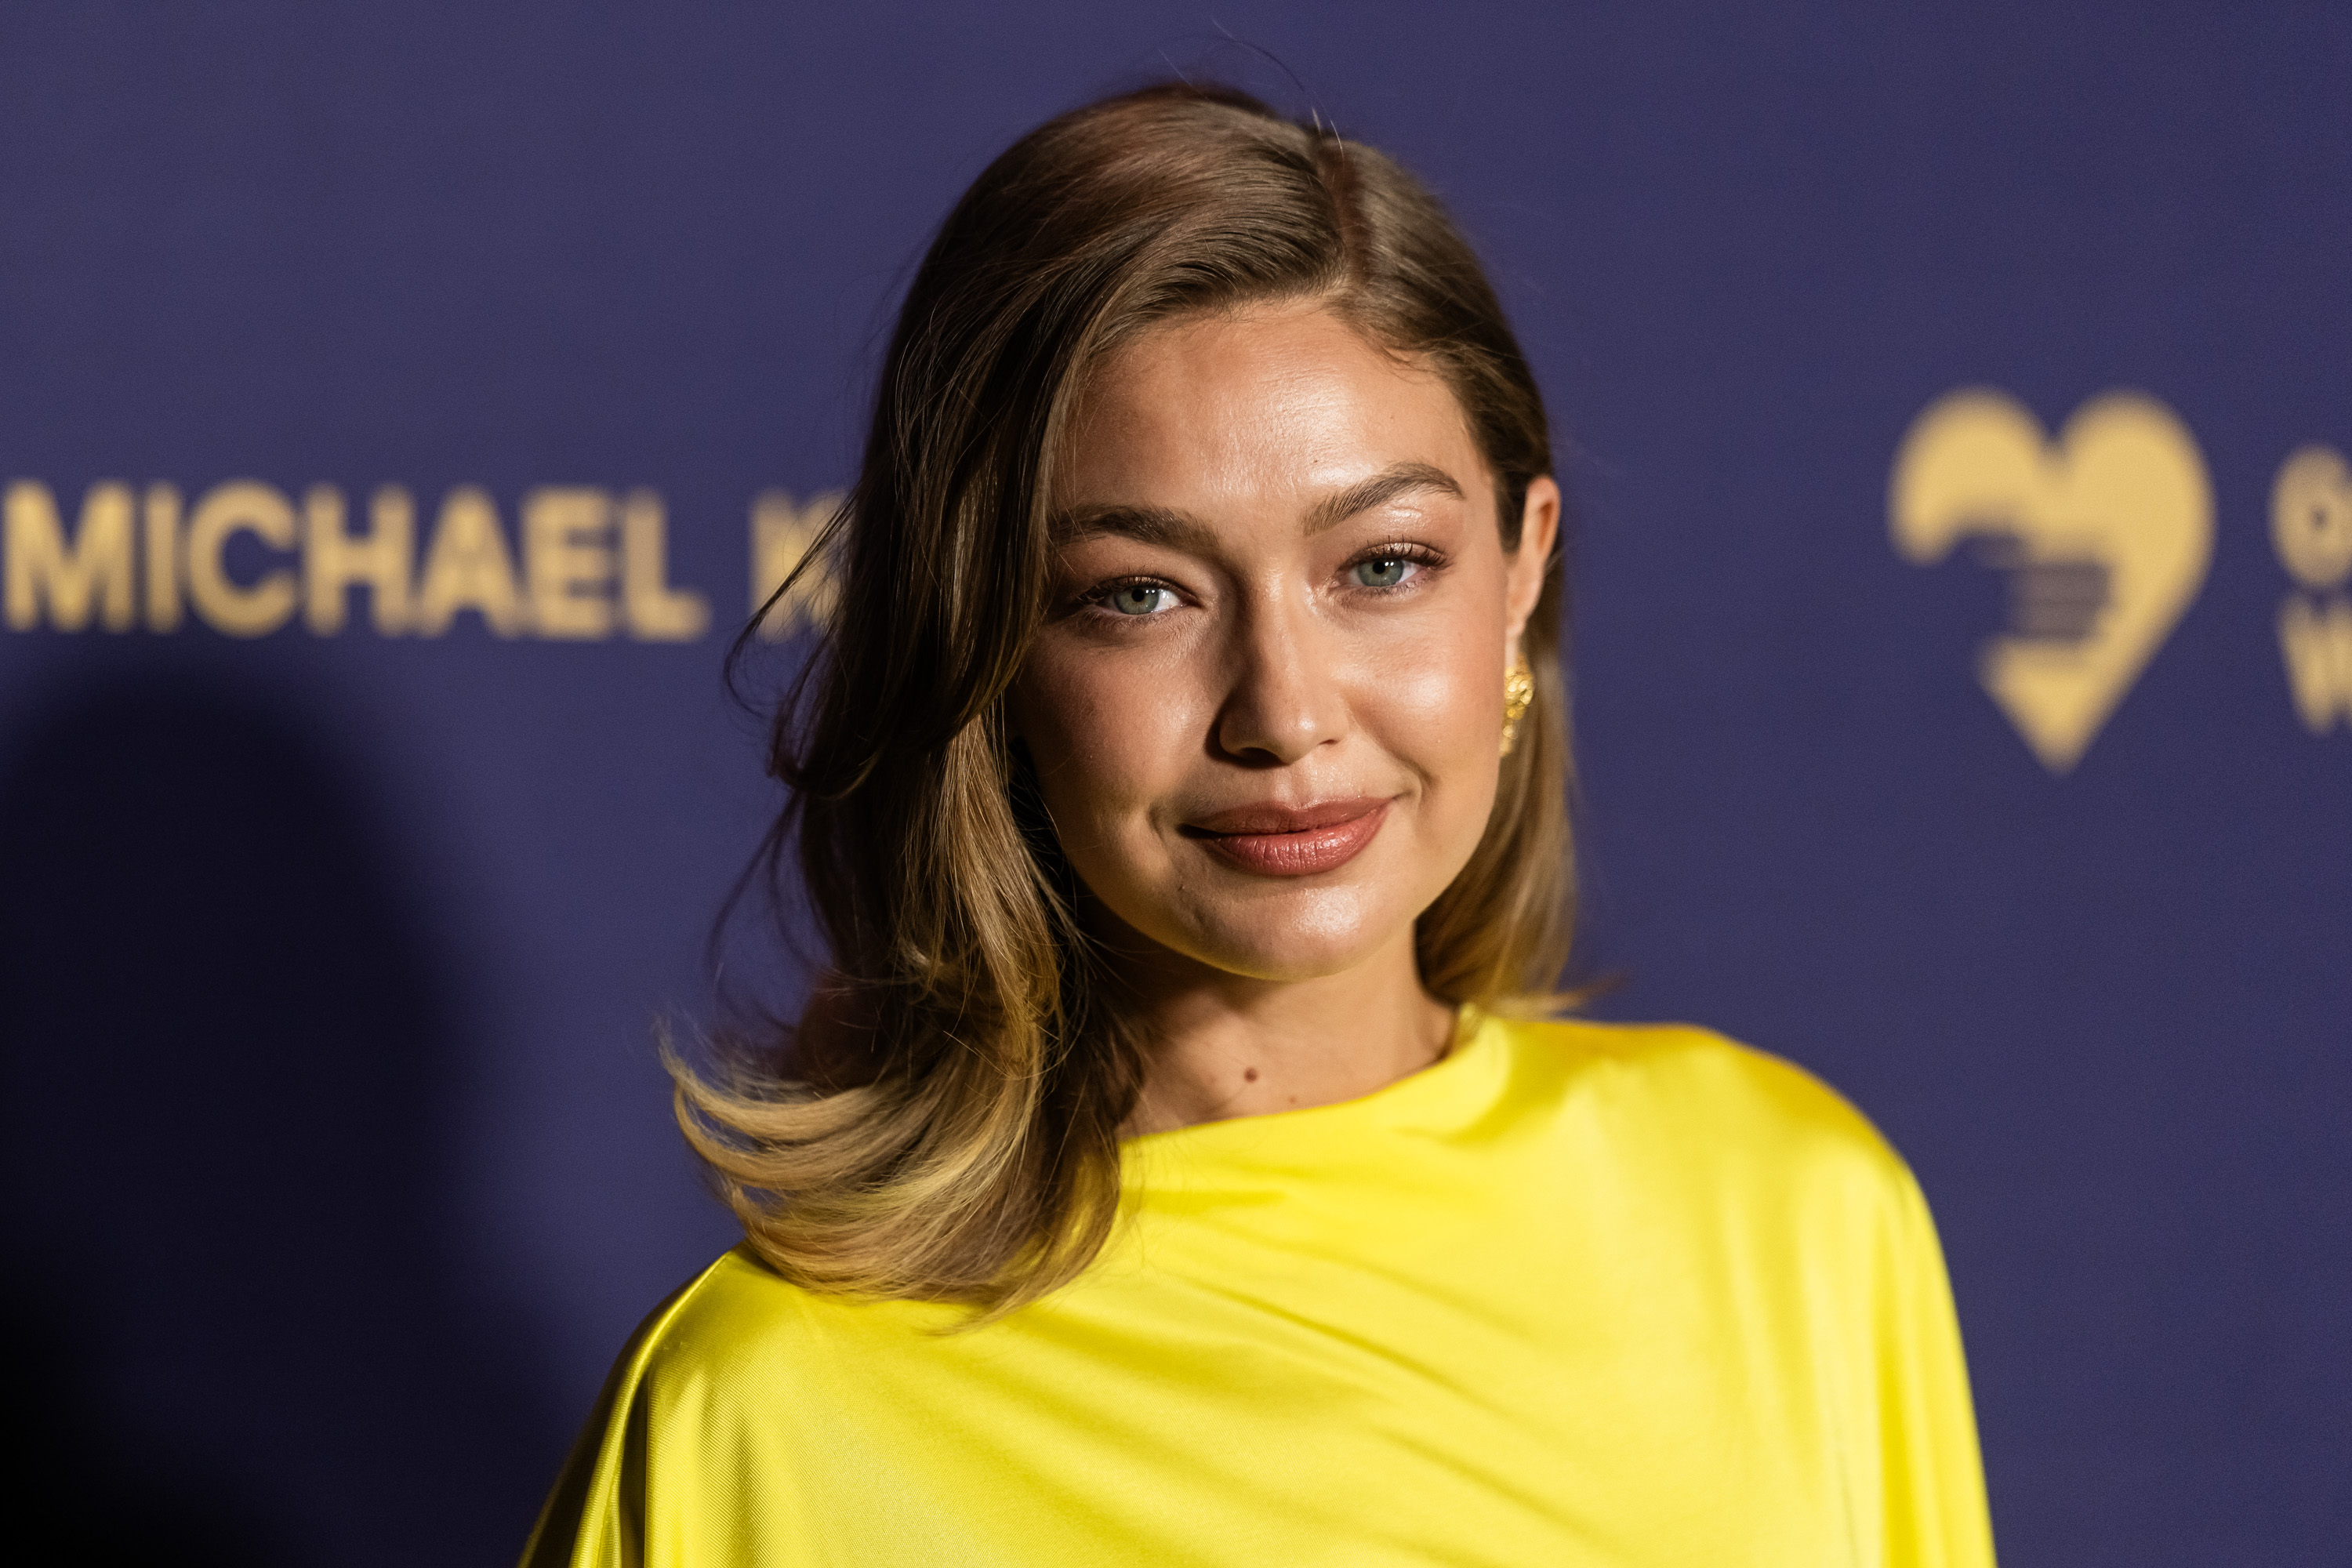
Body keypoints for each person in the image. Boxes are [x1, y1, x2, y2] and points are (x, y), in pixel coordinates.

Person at [523, 83, 1996, 1567]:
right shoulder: (763, 1416)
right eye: (1140, 593)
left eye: (1384, 565)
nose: (1284, 715)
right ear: (991, 651)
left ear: (1521, 569)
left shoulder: (1795, 1220)